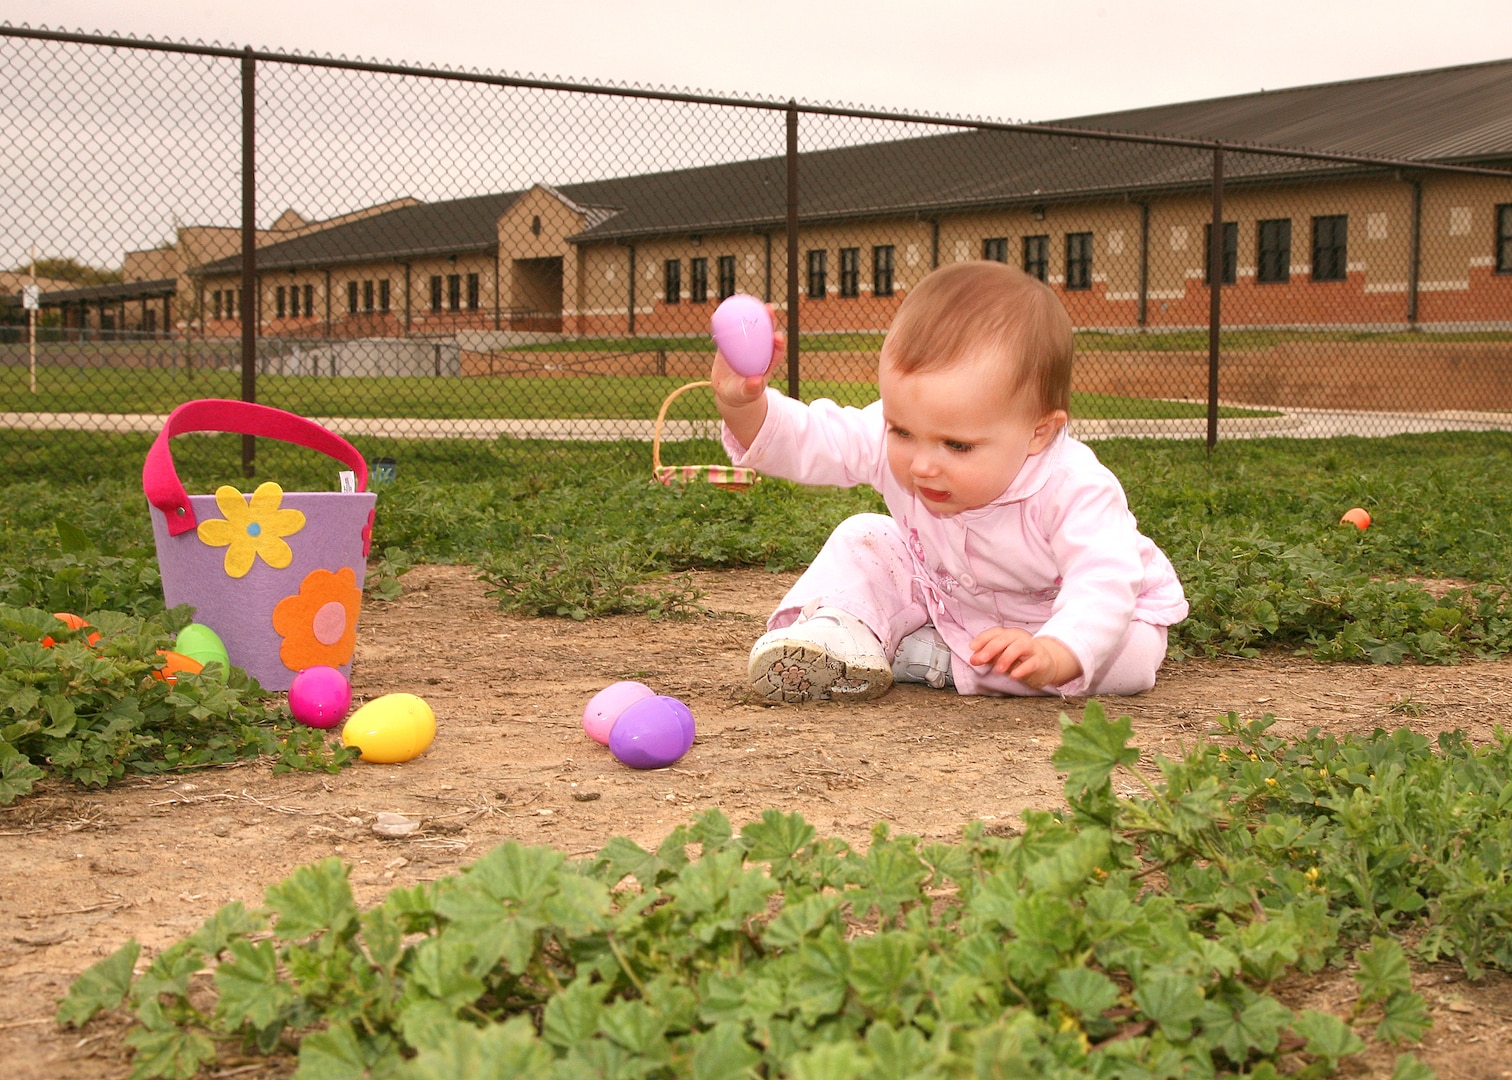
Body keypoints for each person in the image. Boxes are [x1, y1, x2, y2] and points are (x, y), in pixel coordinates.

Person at [713, 260, 1188, 703]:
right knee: (866, 534)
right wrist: (742, 407)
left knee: (1131, 657)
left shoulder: (1075, 487)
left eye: (956, 446)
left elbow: (1104, 578)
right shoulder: (905, 438)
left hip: (1062, 616)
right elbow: (813, 439)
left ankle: (930, 658)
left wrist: (1058, 650)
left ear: (1037, 432)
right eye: (902, 431)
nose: (921, 465)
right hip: (949, 593)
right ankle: (835, 631)